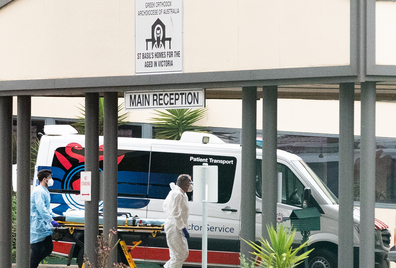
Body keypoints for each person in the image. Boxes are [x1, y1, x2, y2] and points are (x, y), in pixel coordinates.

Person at [30, 169, 60, 268]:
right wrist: (51, 220)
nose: (51, 179)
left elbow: (47, 208)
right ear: (45, 179)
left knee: (48, 249)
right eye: (50, 177)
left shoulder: (44, 191)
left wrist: (55, 217)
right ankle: (31, 265)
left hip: (43, 226)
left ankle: (32, 264)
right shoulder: (39, 191)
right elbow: (41, 208)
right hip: (38, 225)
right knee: (37, 251)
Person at [162, 174, 193, 268]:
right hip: (174, 227)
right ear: (184, 184)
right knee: (177, 255)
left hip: (177, 227)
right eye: (189, 182)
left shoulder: (182, 194)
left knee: (183, 253)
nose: (191, 184)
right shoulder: (177, 194)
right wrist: (182, 228)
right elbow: (175, 213)